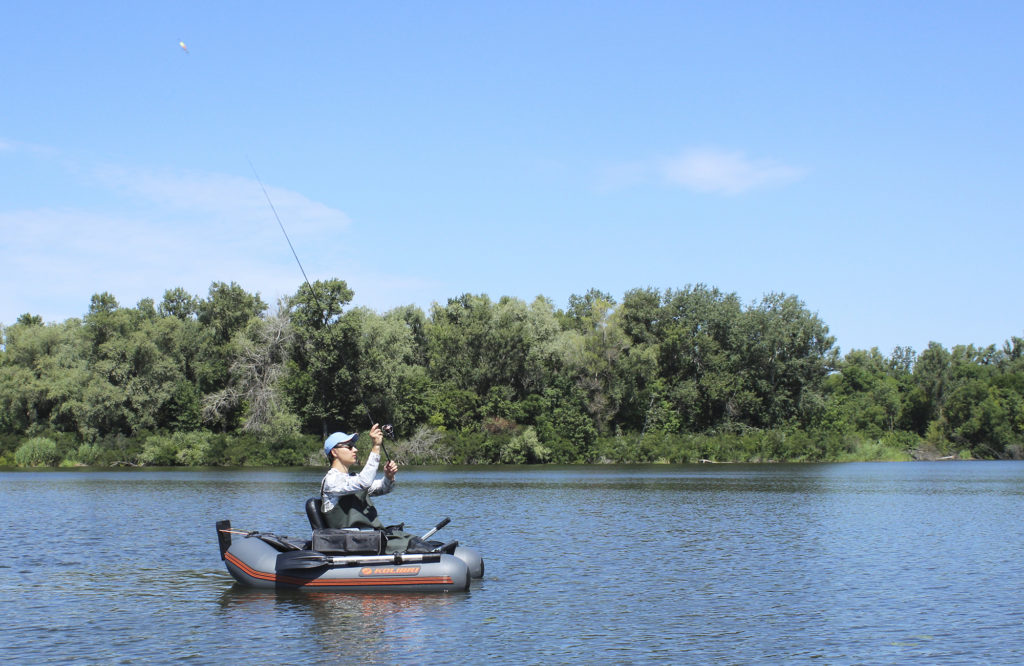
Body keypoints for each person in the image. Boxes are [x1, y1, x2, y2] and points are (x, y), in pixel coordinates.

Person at [320, 424, 432, 553]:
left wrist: (388, 477)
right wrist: (376, 447)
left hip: (368, 540)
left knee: (412, 540)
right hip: (352, 543)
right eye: (349, 446)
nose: (355, 449)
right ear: (334, 452)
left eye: (354, 446)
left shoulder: (351, 479)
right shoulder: (332, 480)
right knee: (411, 545)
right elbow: (365, 481)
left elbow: (382, 489)